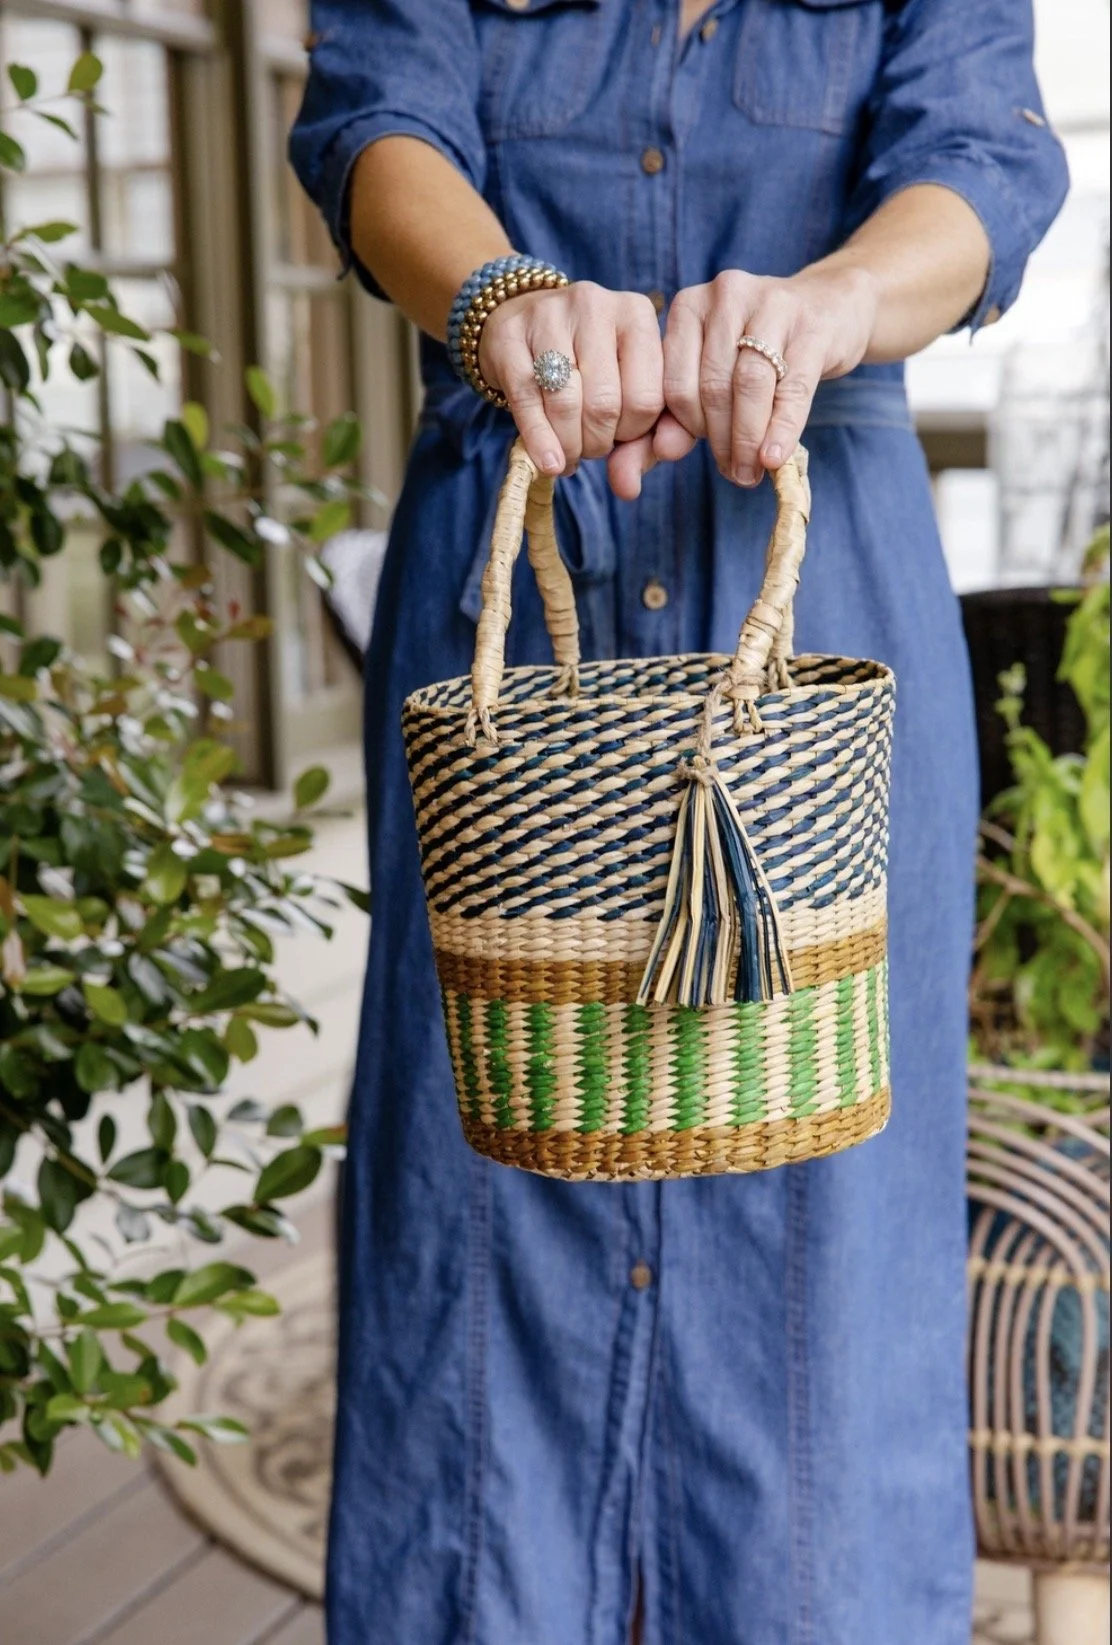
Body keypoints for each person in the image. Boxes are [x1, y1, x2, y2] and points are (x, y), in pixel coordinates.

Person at [290, 4, 1067, 1640]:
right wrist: (509, 298)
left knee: (822, 1256)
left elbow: (980, 160)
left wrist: (830, 302)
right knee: (487, 1206)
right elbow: (378, 125)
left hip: (814, 613)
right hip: (518, 592)